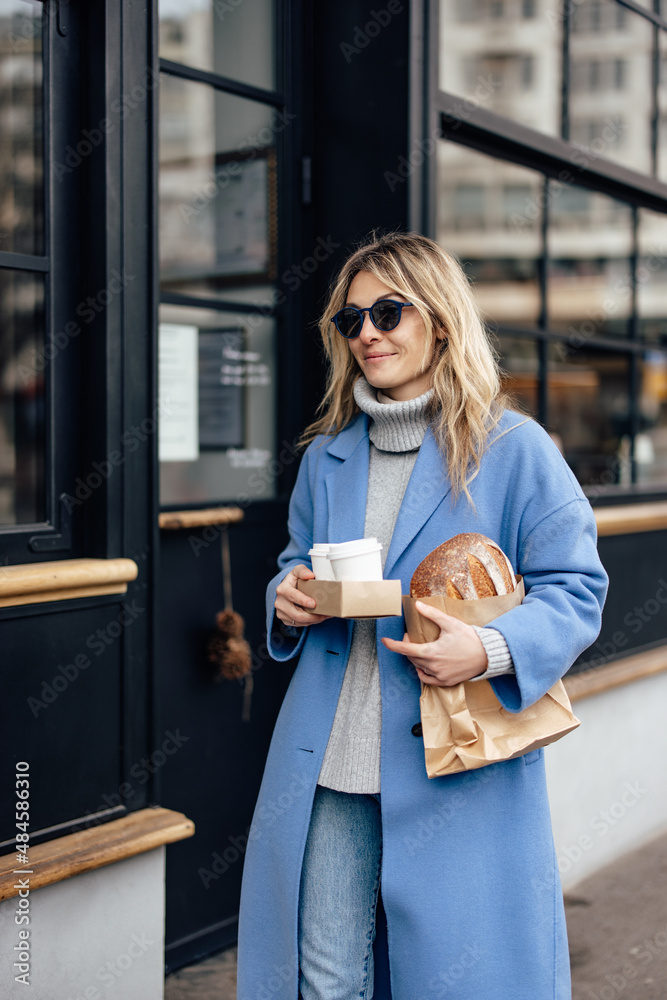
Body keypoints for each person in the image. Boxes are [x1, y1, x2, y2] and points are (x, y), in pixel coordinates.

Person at [236, 231, 608, 1000]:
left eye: (388, 312)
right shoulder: (326, 456)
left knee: (451, 977)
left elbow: (575, 587)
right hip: (332, 753)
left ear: (439, 319)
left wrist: (490, 648)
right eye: (351, 321)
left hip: (455, 757)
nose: (367, 332)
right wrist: (288, 598)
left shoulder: (511, 448)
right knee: (325, 974)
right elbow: (295, 562)